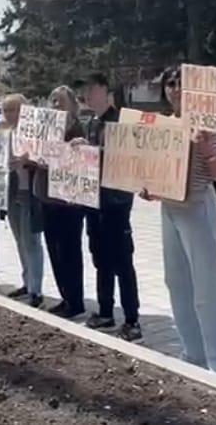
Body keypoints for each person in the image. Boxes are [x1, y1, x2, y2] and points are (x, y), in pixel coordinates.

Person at [146, 66, 216, 377]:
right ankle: (194, 354)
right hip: (170, 208)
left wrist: (204, 148)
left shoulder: (208, 125)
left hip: (199, 204)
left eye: (180, 83)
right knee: (177, 283)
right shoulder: (164, 125)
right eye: (169, 84)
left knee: (208, 287)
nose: (174, 89)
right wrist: (149, 188)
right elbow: (156, 172)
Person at [79, 73, 143, 341]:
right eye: (86, 92)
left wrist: (91, 150)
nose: (88, 97)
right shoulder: (92, 123)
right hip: (95, 201)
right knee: (100, 257)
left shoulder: (120, 122)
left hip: (116, 201)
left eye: (92, 90)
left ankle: (132, 320)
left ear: (105, 91)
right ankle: (106, 311)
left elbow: (124, 156)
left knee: (122, 261)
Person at [39, 86, 87, 317]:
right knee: (54, 250)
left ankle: (75, 300)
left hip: (70, 201)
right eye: (53, 101)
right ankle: (65, 296)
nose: (56, 105)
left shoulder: (78, 128)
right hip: (49, 197)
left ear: (72, 104)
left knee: (70, 251)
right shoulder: (45, 129)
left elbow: (83, 160)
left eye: (61, 101)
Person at [2, 93, 44, 307]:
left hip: (30, 193)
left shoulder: (35, 134)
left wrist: (26, 161)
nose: (10, 114)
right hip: (12, 192)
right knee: (20, 241)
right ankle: (27, 283)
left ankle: (36, 290)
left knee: (32, 243)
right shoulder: (5, 134)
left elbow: (44, 159)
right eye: (6, 110)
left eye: (14, 109)